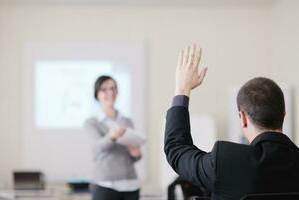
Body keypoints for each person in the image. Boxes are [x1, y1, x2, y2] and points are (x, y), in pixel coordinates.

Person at [164, 44, 299, 200]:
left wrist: (182, 89)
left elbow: (177, 150)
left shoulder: (227, 162)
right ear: (284, 116)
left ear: (242, 118)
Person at [85, 75, 141, 200]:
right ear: (97, 94)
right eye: (104, 89)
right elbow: (97, 147)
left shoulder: (127, 121)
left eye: (113, 88)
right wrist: (112, 136)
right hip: (105, 185)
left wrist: (136, 154)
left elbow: (135, 157)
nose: (110, 92)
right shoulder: (92, 122)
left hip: (130, 185)